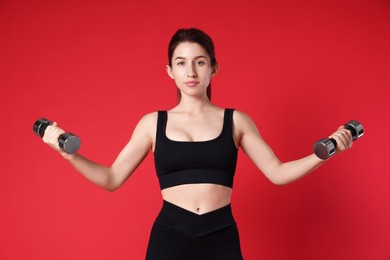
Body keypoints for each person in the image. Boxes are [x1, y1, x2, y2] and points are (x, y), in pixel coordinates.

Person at [42, 28, 353, 259]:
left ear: (213, 68)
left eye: (200, 62)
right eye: (181, 63)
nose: (190, 71)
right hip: (170, 235)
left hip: (221, 234)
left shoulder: (236, 121)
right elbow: (111, 179)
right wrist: (68, 156)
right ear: (170, 71)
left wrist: (326, 153)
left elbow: (278, 173)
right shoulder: (152, 123)